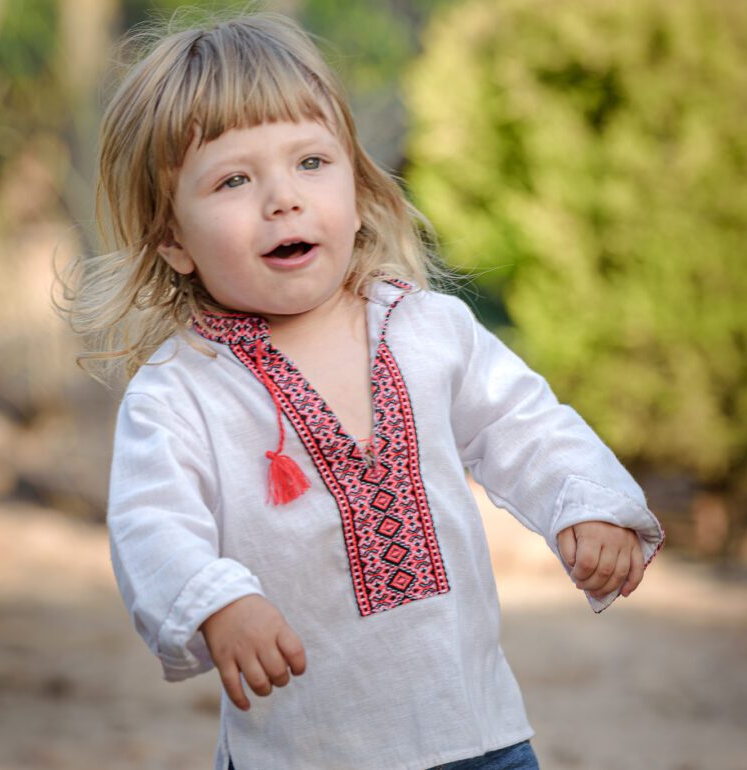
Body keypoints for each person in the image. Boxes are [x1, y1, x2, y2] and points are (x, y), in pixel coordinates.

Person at [63, 11, 664, 770]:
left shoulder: (428, 329)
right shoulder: (182, 393)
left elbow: (524, 422)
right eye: (233, 180)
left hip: (477, 734)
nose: (282, 198)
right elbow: (152, 523)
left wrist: (585, 499)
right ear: (174, 240)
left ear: (355, 180)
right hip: (300, 750)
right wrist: (215, 601)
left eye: (311, 163)